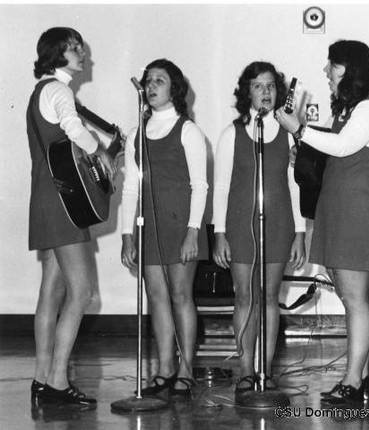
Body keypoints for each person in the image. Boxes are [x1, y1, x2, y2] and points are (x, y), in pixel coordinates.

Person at [276, 40, 369, 405]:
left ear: (350, 69)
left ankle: (354, 381)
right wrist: (304, 149)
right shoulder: (347, 111)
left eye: (332, 66)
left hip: (358, 213)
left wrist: (299, 130)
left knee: (356, 299)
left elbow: (343, 146)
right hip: (341, 209)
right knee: (350, 297)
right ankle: (356, 377)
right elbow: (329, 148)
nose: (326, 73)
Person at [27, 27, 115, 407]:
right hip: (64, 203)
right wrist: (103, 154)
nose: (83, 54)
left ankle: (42, 378)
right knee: (82, 292)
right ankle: (58, 382)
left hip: (48, 199)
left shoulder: (41, 91)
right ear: (56, 53)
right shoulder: (59, 91)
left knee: (52, 290)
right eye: (75, 48)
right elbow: (74, 129)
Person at [212, 61, 306, 398]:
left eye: (270, 86)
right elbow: (221, 187)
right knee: (245, 297)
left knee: (269, 297)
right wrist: (220, 232)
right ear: (246, 93)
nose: (265, 92)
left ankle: (266, 371)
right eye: (257, 86)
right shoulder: (231, 133)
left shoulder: (289, 133)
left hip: (279, 223)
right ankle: (246, 371)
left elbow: (295, 186)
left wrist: (299, 233)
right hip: (240, 224)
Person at [121, 58, 208, 398]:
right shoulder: (135, 135)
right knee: (156, 297)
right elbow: (131, 187)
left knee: (180, 295)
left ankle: (186, 368)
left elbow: (200, 185)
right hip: (149, 227)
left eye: (160, 80)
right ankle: (165, 368)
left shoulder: (188, 130)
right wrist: (128, 236)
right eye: (149, 80)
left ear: (174, 89)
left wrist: (192, 231)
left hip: (181, 227)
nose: (152, 85)